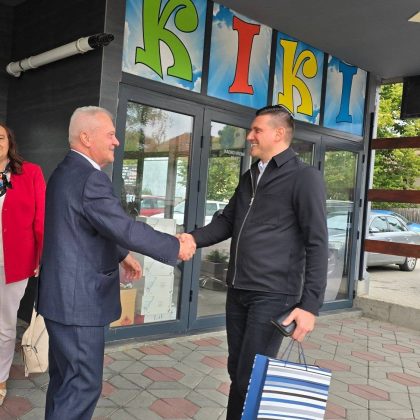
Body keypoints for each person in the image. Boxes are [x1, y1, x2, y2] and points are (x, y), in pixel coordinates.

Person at [37, 106, 195, 420]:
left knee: (65, 383)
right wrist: (175, 246)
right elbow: (124, 227)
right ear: (86, 138)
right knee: (82, 386)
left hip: (62, 300)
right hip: (79, 304)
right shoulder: (89, 178)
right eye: (110, 134)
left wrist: (122, 254)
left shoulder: (64, 171)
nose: (116, 141)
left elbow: (85, 226)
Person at [180, 105, 328, 419]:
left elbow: (317, 243)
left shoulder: (304, 177)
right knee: (237, 369)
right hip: (238, 289)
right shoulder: (250, 176)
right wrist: (191, 239)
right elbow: (226, 221)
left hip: (273, 294)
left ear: (279, 133)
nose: (249, 136)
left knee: (250, 375)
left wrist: (310, 306)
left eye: (257, 130)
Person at [0, 123, 46, 406]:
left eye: (0, 137)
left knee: (4, 324)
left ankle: (0, 378)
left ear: (9, 142)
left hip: (14, 263)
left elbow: (41, 219)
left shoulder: (30, 173)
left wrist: (40, 256)